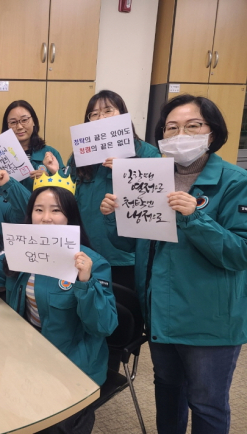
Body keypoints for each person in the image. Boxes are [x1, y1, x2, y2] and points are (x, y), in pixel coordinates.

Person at [100, 94, 247, 434]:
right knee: (167, 391)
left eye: (192, 126)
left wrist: (194, 218)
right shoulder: (152, 176)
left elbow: (240, 252)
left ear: (212, 132)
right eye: (171, 128)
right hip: (161, 312)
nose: (181, 135)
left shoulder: (235, 181)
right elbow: (131, 245)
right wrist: (113, 215)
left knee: (207, 403)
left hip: (209, 319)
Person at [0, 180, 117, 434]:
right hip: (26, 357)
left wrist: (85, 282)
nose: (46, 218)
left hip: (72, 366)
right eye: (39, 210)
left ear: (70, 217)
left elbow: (103, 326)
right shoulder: (20, 252)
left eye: (56, 210)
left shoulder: (91, 262)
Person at [64, 90, 161, 289]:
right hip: (86, 253)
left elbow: (155, 201)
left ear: (122, 114)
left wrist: (126, 171)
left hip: (126, 257)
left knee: (125, 304)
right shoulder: (80, 157)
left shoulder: (146, 153)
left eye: (108, 111)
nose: (101, 118)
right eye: (94, 114)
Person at [0, 100, 64, 195]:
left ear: (34, 121)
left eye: (24, 120)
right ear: (7, 126)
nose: (19, 126)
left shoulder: (50, 153)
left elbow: (65, 191)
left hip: (40, 204)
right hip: (7, 205)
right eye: (13, 122)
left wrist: (49, 179)